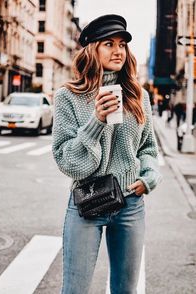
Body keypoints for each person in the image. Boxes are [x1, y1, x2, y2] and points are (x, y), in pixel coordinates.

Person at [52, 14, 161, 294]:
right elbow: (67, 161)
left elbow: (148, 147)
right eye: (109, 44)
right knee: (75, 289)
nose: (118, 51)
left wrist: (148, 177)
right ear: (92, 49)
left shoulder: (139, 95)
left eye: (122, 44)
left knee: (125, 290)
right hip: (87, 201)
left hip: (130, 203)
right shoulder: (68, 96)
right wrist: (96, 121)